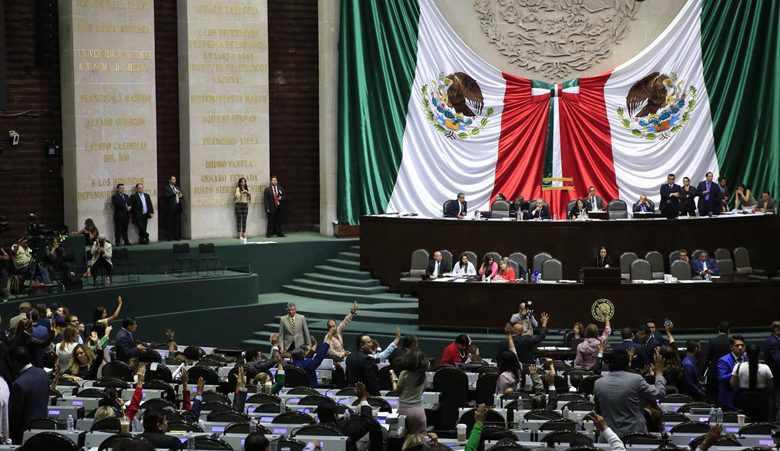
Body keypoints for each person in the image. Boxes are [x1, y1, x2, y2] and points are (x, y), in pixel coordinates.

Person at [593, 349, 666, 435]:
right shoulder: (636, 379)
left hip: (608, 435)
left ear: (609, 365)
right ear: (628, 365)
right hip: (635, 435)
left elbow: (598, 412)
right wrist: (659, 373)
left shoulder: (598, 383)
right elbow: (659, 393)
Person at [317, 382, 384, 451]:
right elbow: (368, 422)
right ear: (335, 416)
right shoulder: (343, 431)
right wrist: (363, 399)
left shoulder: (308, 431)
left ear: (318, 416)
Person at [8, 346, 49, 444]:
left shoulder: (19, 384)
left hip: (23, 435)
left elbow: (14, 415)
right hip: (42, 428)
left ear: (15, 362)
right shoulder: (42, 374)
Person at [389, 350, 429, 434]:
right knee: (420, 438)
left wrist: (393, 380)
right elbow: (423, 390)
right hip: (419, 411)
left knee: (403, 438)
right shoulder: (424, 375)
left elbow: (396, 392)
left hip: (404, 410)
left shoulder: (404, 374)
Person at [574, 305, 611, 370]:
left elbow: (578, 362)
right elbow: (607, 330)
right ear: (597, 332)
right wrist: (606, 316)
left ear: (586, 332)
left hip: (585, 371)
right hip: (599, 369)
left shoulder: (580, 346)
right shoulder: (601, 342)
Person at [704, 321, 732, 404]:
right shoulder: (731, 342)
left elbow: (707, 359)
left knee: (712, 398)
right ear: (729, 331)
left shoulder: (712, 341)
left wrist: (701, 374)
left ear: (718, 329)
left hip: (713, 374)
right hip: (727, 373)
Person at [717, 335, 746, 410]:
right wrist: (736, 371)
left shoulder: (747, 358)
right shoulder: (724, 360)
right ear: (731, 347)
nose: (740, 348)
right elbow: (721, 378)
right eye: (737, 346)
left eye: (742, 345)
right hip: (729, 400)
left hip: (744, 398)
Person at [496, 323, 523, 393]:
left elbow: (502, 394)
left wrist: (509, 335)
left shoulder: (504, 376)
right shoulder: (519, 368)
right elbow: (514, 352)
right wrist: (509, 335)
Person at [764, 321, 780, 423]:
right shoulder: (772, 341)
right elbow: (778, 359)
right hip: (776, 376)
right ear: (776, 330)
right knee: (777, 403)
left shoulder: (775, 340)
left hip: (776, 375)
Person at [163, 176, 183, 241]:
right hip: (170, 208)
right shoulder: (167, 188)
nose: (174, 181)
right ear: (170, 180)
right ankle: (169, 237)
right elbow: (166, 196)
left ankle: (176, 236)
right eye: (173, 179)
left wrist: (181, 195)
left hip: (177, 207)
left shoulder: (177, 187)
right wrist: (174, 193)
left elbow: (181, 196)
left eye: (175, 179)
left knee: (177, 223)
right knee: (169, 223)